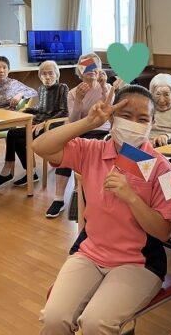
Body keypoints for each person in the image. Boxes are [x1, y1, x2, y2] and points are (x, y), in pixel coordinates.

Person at [33, 85, 171, 335]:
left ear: (152, 123)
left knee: (95, 323)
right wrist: (88, 123)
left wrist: (131, 197)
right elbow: (40, 146)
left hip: (138, 263)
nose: (133, 124)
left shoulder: (160, 167)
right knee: (54, 318)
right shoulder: (93, 150)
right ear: (112, 117)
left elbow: (164, 231)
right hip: (90, 253)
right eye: (125, 116)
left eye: (142, 119)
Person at [47, 53, 114, 218]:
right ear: (80, 70)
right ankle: (58, 198)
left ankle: (89, 198)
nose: (90, 70)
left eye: (94, 66)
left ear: (99, 70)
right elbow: (73, 121)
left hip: (103, 131)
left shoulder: (107, 88)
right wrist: (78, 100)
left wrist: (104, 88)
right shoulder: (73, 92)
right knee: (66, 147)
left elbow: (110, 111)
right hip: (81, 129)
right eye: (86, 66)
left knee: (92, 147)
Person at [0, 60, 69, 190]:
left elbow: (64, 111)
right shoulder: (41, 89)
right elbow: (40, 108)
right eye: (44, 74)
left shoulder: (62, 88)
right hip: (37, 125)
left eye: (50, 73)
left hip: (51, 127)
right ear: (40, 76)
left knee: (13, 135)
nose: (47, 77)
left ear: (56, 75)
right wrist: (25, 110)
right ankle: (29, 173)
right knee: (16, 138)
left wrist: (44, 123)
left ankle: (7, 171)